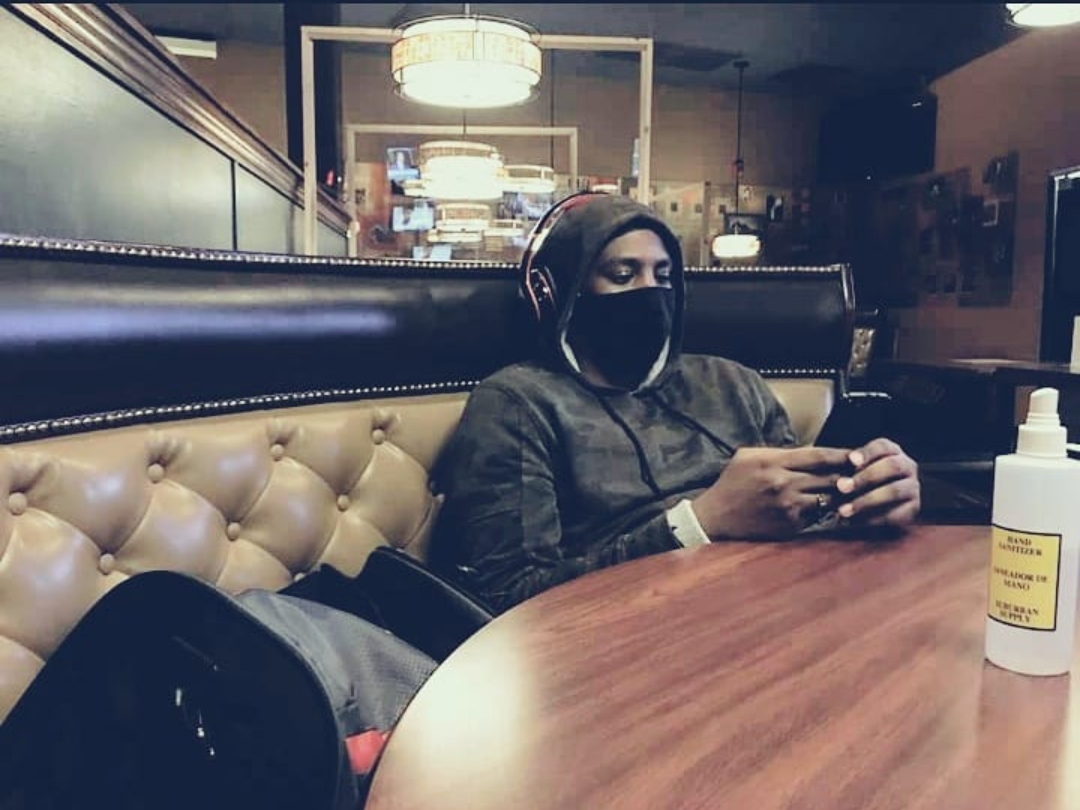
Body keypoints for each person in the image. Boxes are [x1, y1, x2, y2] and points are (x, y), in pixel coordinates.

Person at [429, 192, 920, 612]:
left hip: (774, 612)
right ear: (561, 294)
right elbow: (511, 599)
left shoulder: (734, 383)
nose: (649, 293)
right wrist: (698, 524)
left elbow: (808, 522)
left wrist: (866, 507)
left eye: (663, 276)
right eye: (623, 274)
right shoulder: (517, 404)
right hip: (622, 647)